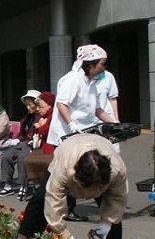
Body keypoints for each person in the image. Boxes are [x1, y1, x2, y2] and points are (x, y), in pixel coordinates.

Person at [14, 133, 127, 239]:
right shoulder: (64, 168)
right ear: (77, 177)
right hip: (68, 149)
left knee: (115, 217)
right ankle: (23, 238)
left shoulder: (117, 170)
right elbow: (53, 202)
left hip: (102, 149)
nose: (90, 193)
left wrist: (107, 224)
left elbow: (118, 200)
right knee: (41, 198)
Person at [47, 44, 117, 222]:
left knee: (86, 165)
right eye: (102, 64)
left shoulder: (93, 83)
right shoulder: (72, 79)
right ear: (90, 64)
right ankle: (64, 208)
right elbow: (62, 103)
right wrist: (71, 124)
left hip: (84, 132)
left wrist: (115, 122)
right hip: (68, 132)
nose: (104, 67)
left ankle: (97, 204)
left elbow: (97, 109)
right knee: (67, 169)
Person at [0, 89, 41, 199]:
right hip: (23, 143)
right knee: (6, 156)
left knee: (22, 158)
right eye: (27, 105)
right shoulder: (26, 119)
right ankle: (7, 185)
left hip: (34, 144)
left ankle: (23, 186)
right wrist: (15, 140)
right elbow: (21, 134)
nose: (28, 107)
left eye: (30, 105)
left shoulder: (41, 118)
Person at [23, 91, 56, 198]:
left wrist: (40, 126)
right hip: (43, 146)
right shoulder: (42, 116)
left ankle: (43, 188)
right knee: (28, 159)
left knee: (35, 160)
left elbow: (47, 131)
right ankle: (38, 187)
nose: (38, 109)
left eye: (40, 106)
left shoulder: (53, 115)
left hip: (53, 148)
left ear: (49, 105)